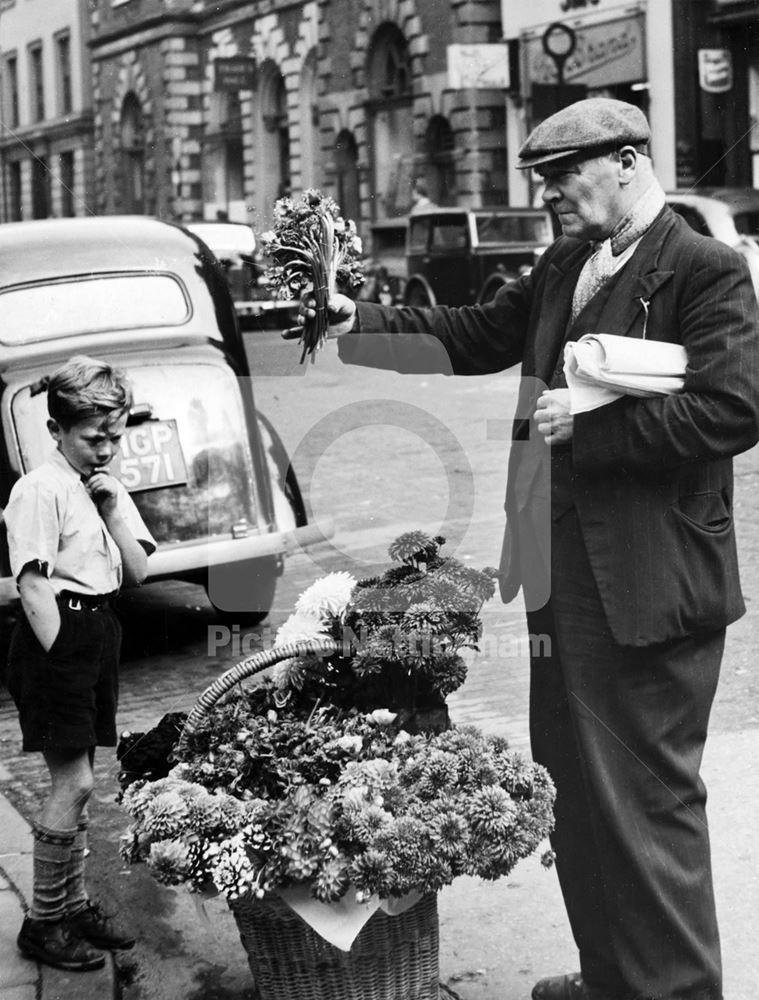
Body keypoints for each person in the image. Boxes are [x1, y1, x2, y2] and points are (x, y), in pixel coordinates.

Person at [291, 98, 759, 1000]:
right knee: (577, 795)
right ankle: (616, 977)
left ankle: (676, 990)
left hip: (651, 581)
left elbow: (733, 409)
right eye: (540, 178)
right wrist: (355, 319)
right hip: (563, 576)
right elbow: (474, 335)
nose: (545, 193)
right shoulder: (567, 264)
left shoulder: (704, 270)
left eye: (560, 175)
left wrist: (588, 429)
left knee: (647, 804)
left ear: (626, 162)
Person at [4, 355, 155, 972]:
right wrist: (63, 654)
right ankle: (44, 921)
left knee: (84, 781)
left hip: (98, 629)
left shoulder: (98, 487)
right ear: (56, 430)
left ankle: (72, 906)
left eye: (115, 436)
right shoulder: (38, 488)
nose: (107, 449)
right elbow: (32, 584)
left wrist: (115, 505)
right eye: (94, 438)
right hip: (57, 635)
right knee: (75, 782)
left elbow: (140, 569)